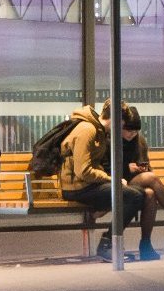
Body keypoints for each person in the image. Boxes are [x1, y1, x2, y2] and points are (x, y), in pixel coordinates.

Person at [59, 101, 157, 262]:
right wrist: (113, 180)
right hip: (77, 187)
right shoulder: (88, 130)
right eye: (122, 125)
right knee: (134, 196)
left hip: (86, 184)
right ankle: (106, 244)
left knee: (138, 194)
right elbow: (83, 171)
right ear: (116, 120)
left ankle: (109, 241)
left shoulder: (97, 130)